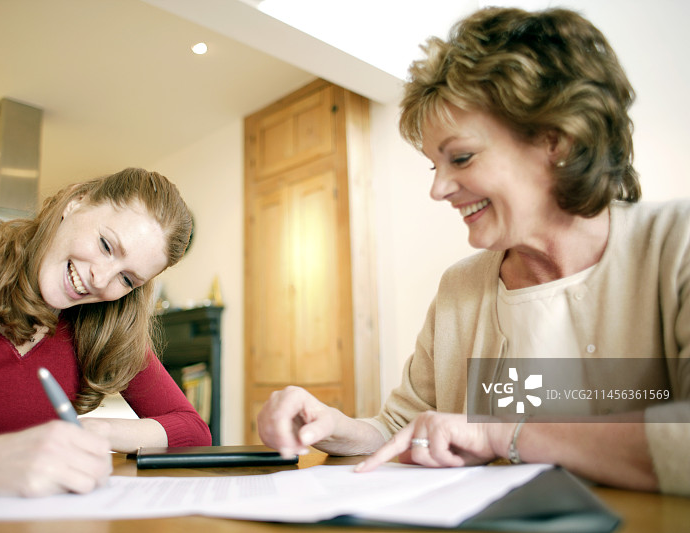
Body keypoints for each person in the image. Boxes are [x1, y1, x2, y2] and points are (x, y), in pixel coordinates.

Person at [258, 7, 690, 496]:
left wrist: (500, 434)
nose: (439, 189)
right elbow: (406, 424)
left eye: (460, 157)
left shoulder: (677, 245)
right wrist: (336, 427)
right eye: (433, 166)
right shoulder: (461, 289)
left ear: (557, 139)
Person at [0, 167, 211, 497]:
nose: (100, 281)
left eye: (127, 279)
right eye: (105, 245)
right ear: (76, 202)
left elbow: (193, 430)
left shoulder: (99, 325)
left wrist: (95, 431)